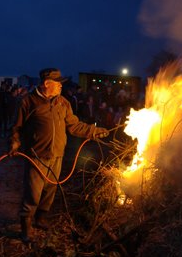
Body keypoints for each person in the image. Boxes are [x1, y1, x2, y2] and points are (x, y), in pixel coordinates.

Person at [9, 68, 109, 242]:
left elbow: (74, 126)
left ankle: (41, 218)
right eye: (58, 84)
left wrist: (94, 132)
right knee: (33, 193)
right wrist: (14, 142)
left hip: (57, 154)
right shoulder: (28, 102)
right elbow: (16, 127)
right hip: (36, 155)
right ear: (47, 84)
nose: (61, 87)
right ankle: (26, 226)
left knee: (50, 189)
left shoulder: (63, 103)